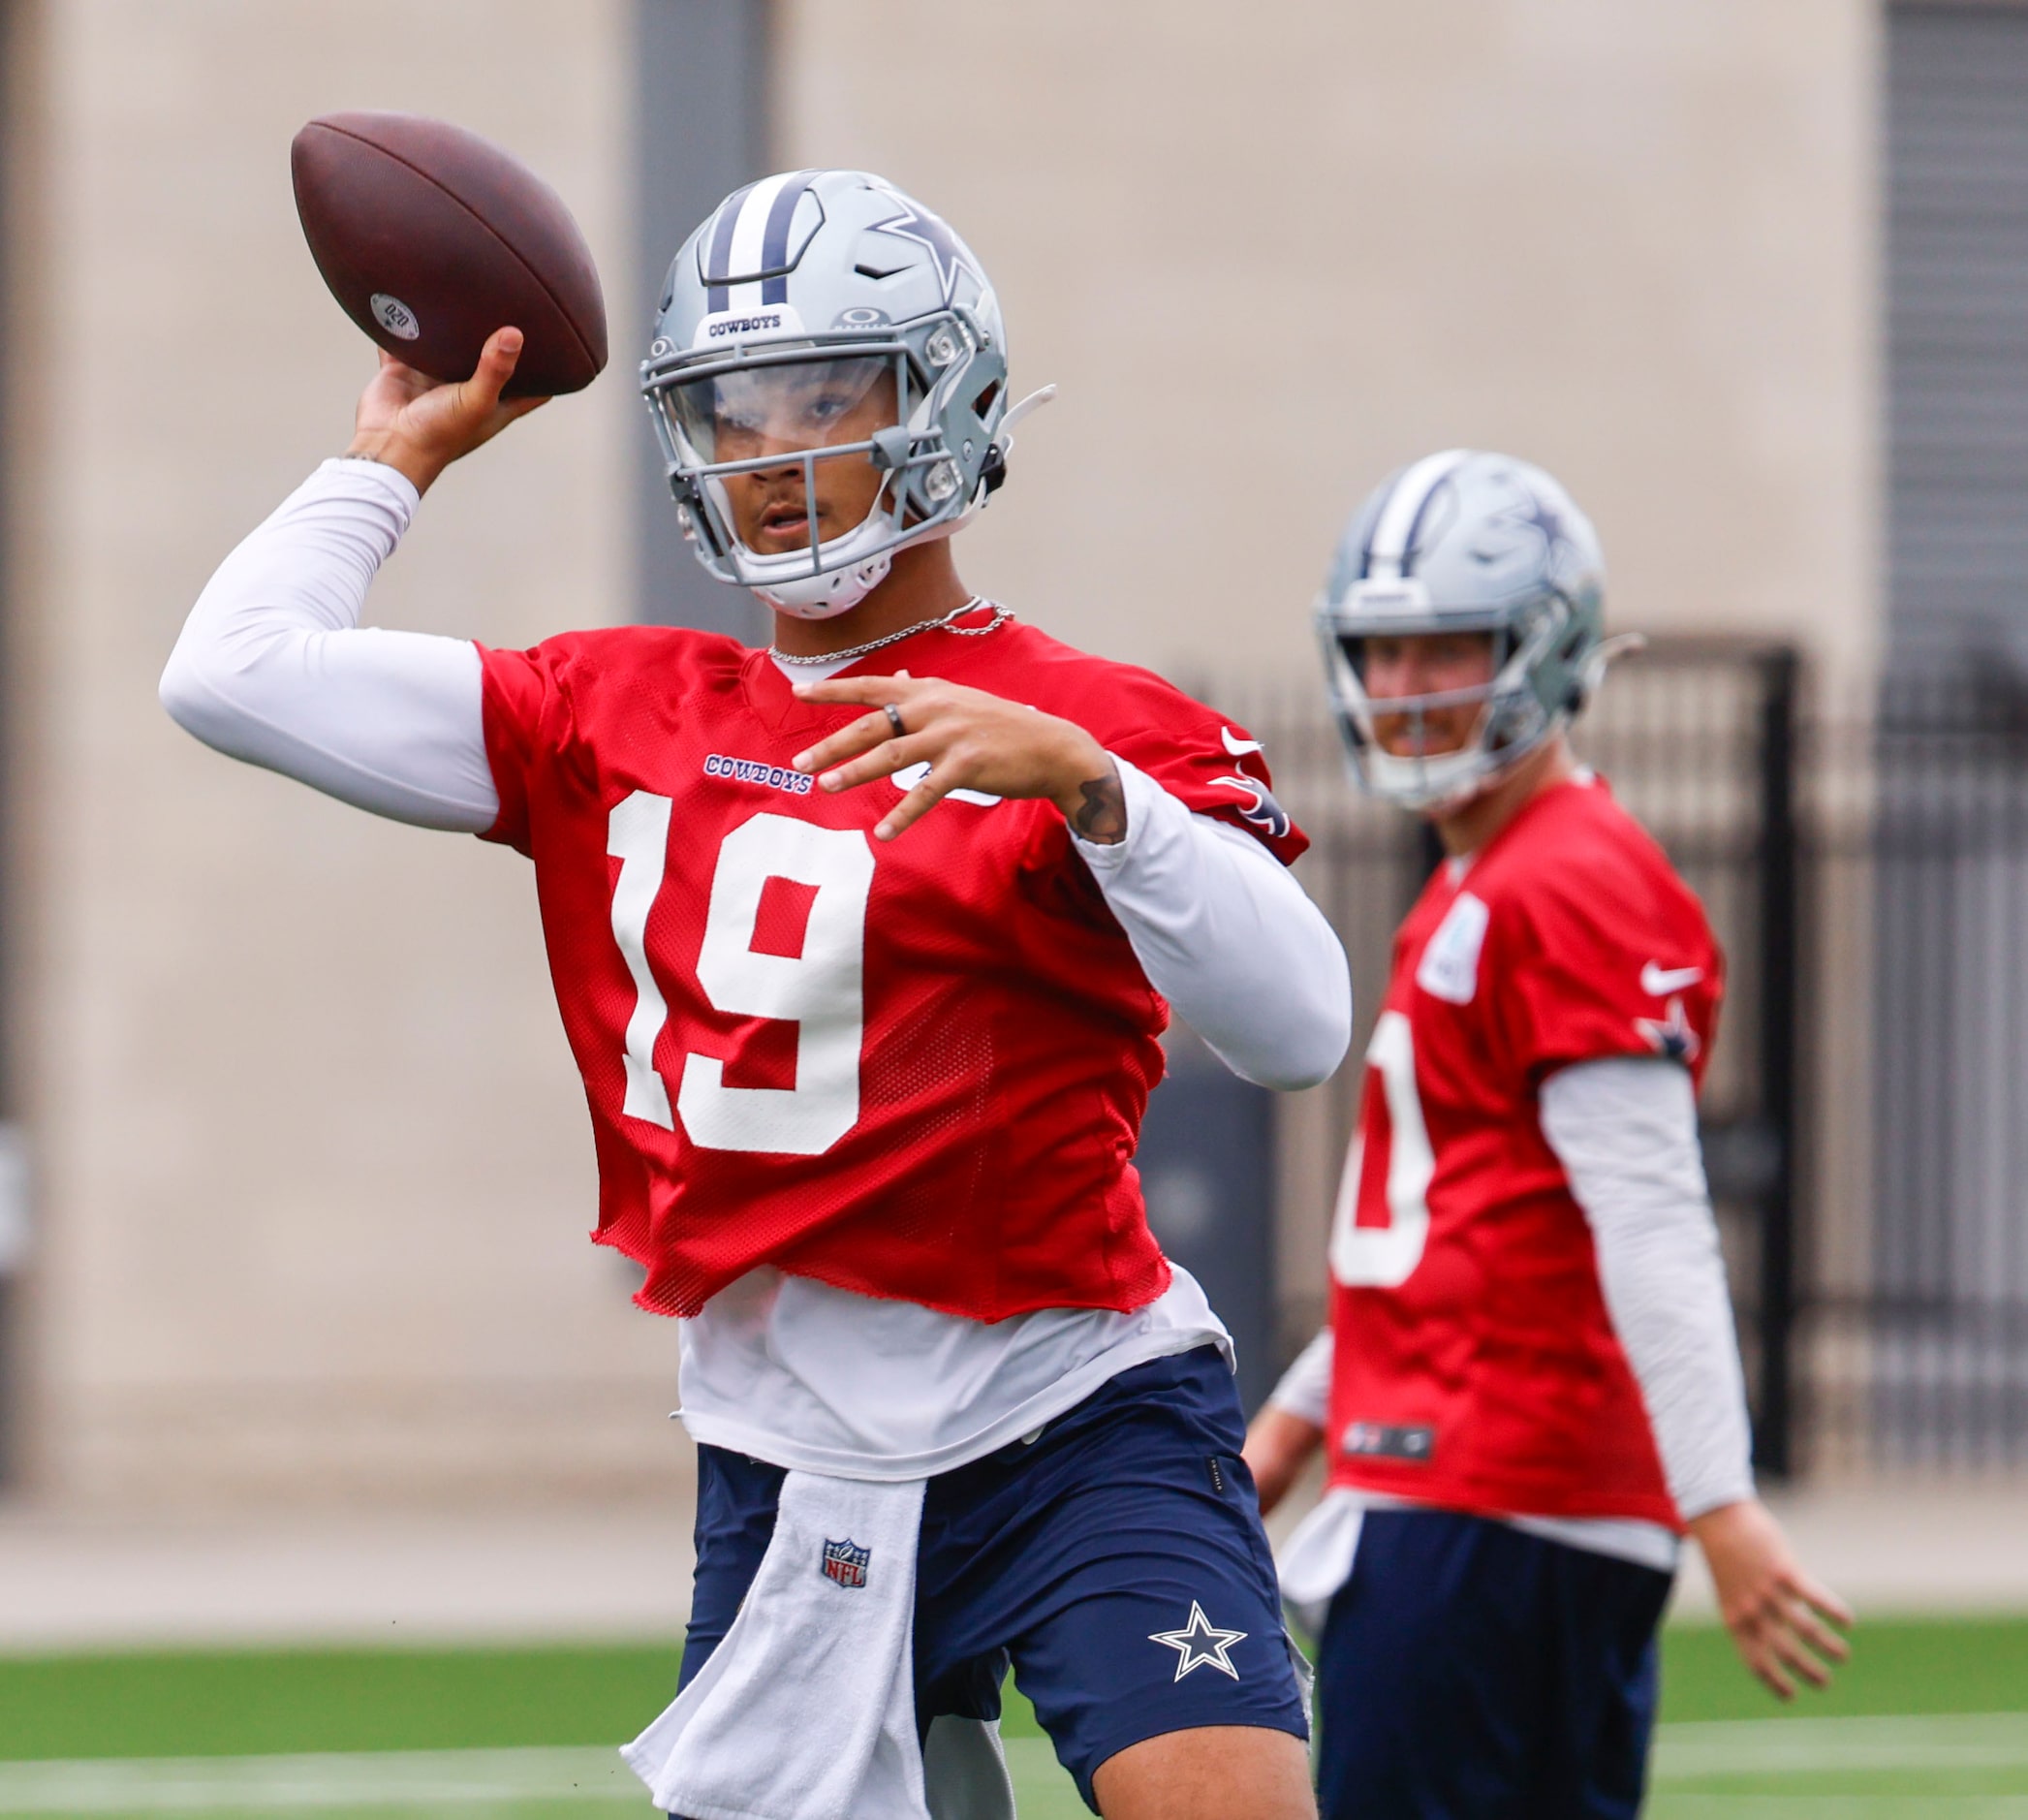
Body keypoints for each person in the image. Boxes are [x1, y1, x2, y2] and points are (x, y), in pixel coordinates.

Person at [162, 169, 1349, 1820]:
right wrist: (396, 456)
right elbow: (227, 673)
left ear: (942, 400)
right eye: (727, 411)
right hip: (789, 1456)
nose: (768, 452)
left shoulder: (1085, 721)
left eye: (822, 393)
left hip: (1070, 1408)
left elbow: (1297, 1030)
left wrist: (1096, 795)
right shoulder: (613, 706)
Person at [1242, 450, 1852, 1819]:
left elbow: (1648, 1219)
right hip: (1458, 1486)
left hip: (1497, 1499)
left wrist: (1719, 1501)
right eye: (1380, 652)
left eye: (1443, 645)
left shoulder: (1564, 880)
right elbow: (1468, 1230)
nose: (1404, 688)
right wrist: (1289, 1424)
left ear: (1544, 644)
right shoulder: (1494, 875)